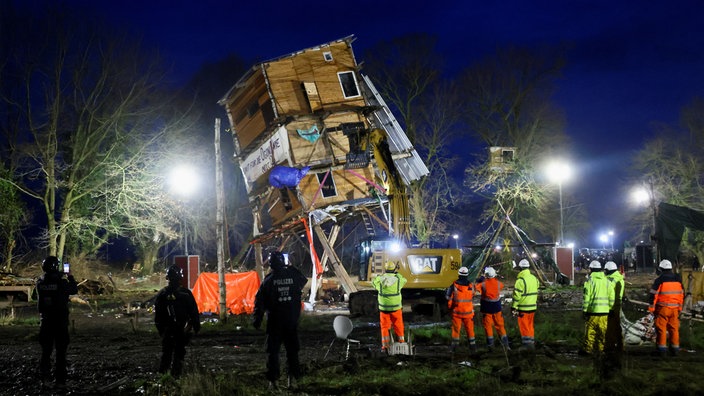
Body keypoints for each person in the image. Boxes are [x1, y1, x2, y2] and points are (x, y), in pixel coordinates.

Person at [252, 251, 307, 389]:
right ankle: (292, 381)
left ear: (271, 264)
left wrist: (257, 320)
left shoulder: (268, 281)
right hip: (291, 322)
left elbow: (259, 302)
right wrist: (289, 267)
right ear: (283, 261)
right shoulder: (294, 276)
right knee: (292, 352)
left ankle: (273, 382)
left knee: (273, 353)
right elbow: (303, 280)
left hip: (275, 323)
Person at [36, 255, 78, 389]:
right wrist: (69, 276)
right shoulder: (61, 283)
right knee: (61, 353)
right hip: (60, 322)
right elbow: (73, 289)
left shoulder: (40, 282)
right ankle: (60, 381)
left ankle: (45, 379)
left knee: (46, 352)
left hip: (45, 321)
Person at [154, 265, 201, 377]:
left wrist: (162, 331)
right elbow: (194, 313)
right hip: (181, 330)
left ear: (168, 278)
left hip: (169, 330)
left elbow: (158, 317)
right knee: (178, 354)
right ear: (180, 278)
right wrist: (194, 327)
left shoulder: (162, 294)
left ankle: (163, 378)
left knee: (167, 354)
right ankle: (175, 377)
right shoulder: (186, 294)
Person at [648, 259, 684, 356]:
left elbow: (653, 295)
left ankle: (661, 350)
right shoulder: (678, 279)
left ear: (661, 269)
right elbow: (681, 295)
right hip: (675, 309)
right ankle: (675, 349)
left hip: (663, 309)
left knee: (661, 329)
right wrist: (680, 308)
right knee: (674, 328)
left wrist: (651, 309)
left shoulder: (659, 280)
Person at [580, 260, 615, 355]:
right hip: (605, 312)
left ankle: (588, 350)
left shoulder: (589, 281)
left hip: (593, 311)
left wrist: (584, 310)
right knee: (602, 331)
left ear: (591, 269)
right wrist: (611, 308)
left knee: (590, 331)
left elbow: (586, 298)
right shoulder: (607, 281)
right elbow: (612, 297)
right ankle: (601, 350)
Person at [372, 261, 407, 352]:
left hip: (384, 308)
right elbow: (404, 280)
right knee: (398, 324)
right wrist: (397, 274)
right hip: (396, 308)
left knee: (384, 326)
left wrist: (380, 277)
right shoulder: (398, 279)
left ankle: (385, 346)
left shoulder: (380, 280)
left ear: (385, 269)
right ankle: (401, 342)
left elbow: (373, 283)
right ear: (394, 269)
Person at [477, 266, 509, 350]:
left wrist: (481, 279)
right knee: (500, 325)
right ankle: (506, 345)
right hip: (497, 308)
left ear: (486, 275)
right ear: (494, 275)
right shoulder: (499, 284)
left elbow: (476, 288)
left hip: (486, 308)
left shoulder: (482, 284)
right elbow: (500, 286)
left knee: (488, 326)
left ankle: (491, 346)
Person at [445, 266, 477, 352]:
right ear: (467, 275)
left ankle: (455, 348)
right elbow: (473, 295)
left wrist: (449, 309)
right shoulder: (471, 286)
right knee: (470, 330)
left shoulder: (453, 286)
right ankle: (473, 347)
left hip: (457, 313)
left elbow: (449, 299)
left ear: (459, 274)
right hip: (468, 313)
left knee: (456, 330)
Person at [511, 259, 539, 349]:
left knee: (524, 326)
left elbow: (517, 296)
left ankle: (527, 345)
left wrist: (513, 307)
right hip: (533, 307)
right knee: (530, 326)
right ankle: (531, 342)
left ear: (520, 268)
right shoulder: (534, 278)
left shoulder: (520, 281)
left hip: (523, 308)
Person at [604, 261, 625, 353]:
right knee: (617, 325)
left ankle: (610, 345)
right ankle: (620, 344)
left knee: (610, 326)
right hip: (618, 303)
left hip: (610, 304)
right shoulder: (620, 278)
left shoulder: (608, 279)